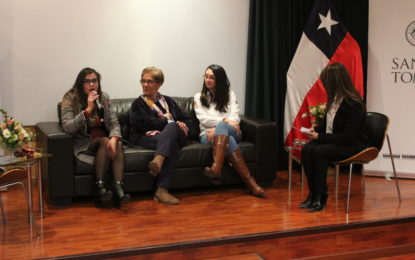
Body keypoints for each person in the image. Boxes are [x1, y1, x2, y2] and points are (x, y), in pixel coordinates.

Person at [300, 62, 368, 212]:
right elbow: (327, 124)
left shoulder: (353, 103)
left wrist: (319, 136)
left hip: (353, 144)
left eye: (327, 82)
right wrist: (314, 130)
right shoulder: (335, 98)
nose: (325, 86)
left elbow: (347, 137)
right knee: (307, 149)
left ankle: (321, 195)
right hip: (336, 140)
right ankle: (313, 194)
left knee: (319, 151)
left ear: (335, 82)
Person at [61, 67, 131, 207]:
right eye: (87, 81)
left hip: (105, 142)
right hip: (85, 144)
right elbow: (68, 127)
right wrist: (87, 110)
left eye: (94, 81)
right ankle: (99, 188)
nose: (91, 84)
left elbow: (114, 123)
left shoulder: (103, 97)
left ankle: (117, 188)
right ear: (81, 83)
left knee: (116, 144)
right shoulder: (70, 98)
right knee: (105, 141)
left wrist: (114, 138)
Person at [194, 64, 265, 197]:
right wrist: (225, 121)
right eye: (206, 77)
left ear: (219, 79)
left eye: (212, 78)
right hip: (207, 135)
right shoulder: (199, 97)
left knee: (222, 128)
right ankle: (251, 183)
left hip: (230, 130)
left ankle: (216, 167)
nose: (208, 80)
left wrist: (222, 124)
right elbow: (204, 120)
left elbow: (235, 117)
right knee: (228, 138)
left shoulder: (230, 95)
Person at [129, 67, 191, 205]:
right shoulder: (138, 104)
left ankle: (158, 159)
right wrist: (166, 121)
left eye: (149, 81)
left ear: (159, 84)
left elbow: (187, 120)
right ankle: (162, 190)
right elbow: (142, 125)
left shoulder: (169, 101)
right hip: (146, 138)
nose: (145, 85)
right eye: (143, 81)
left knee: (173, 126)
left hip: (176, 135)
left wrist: (181, 125)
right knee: (172, 143)